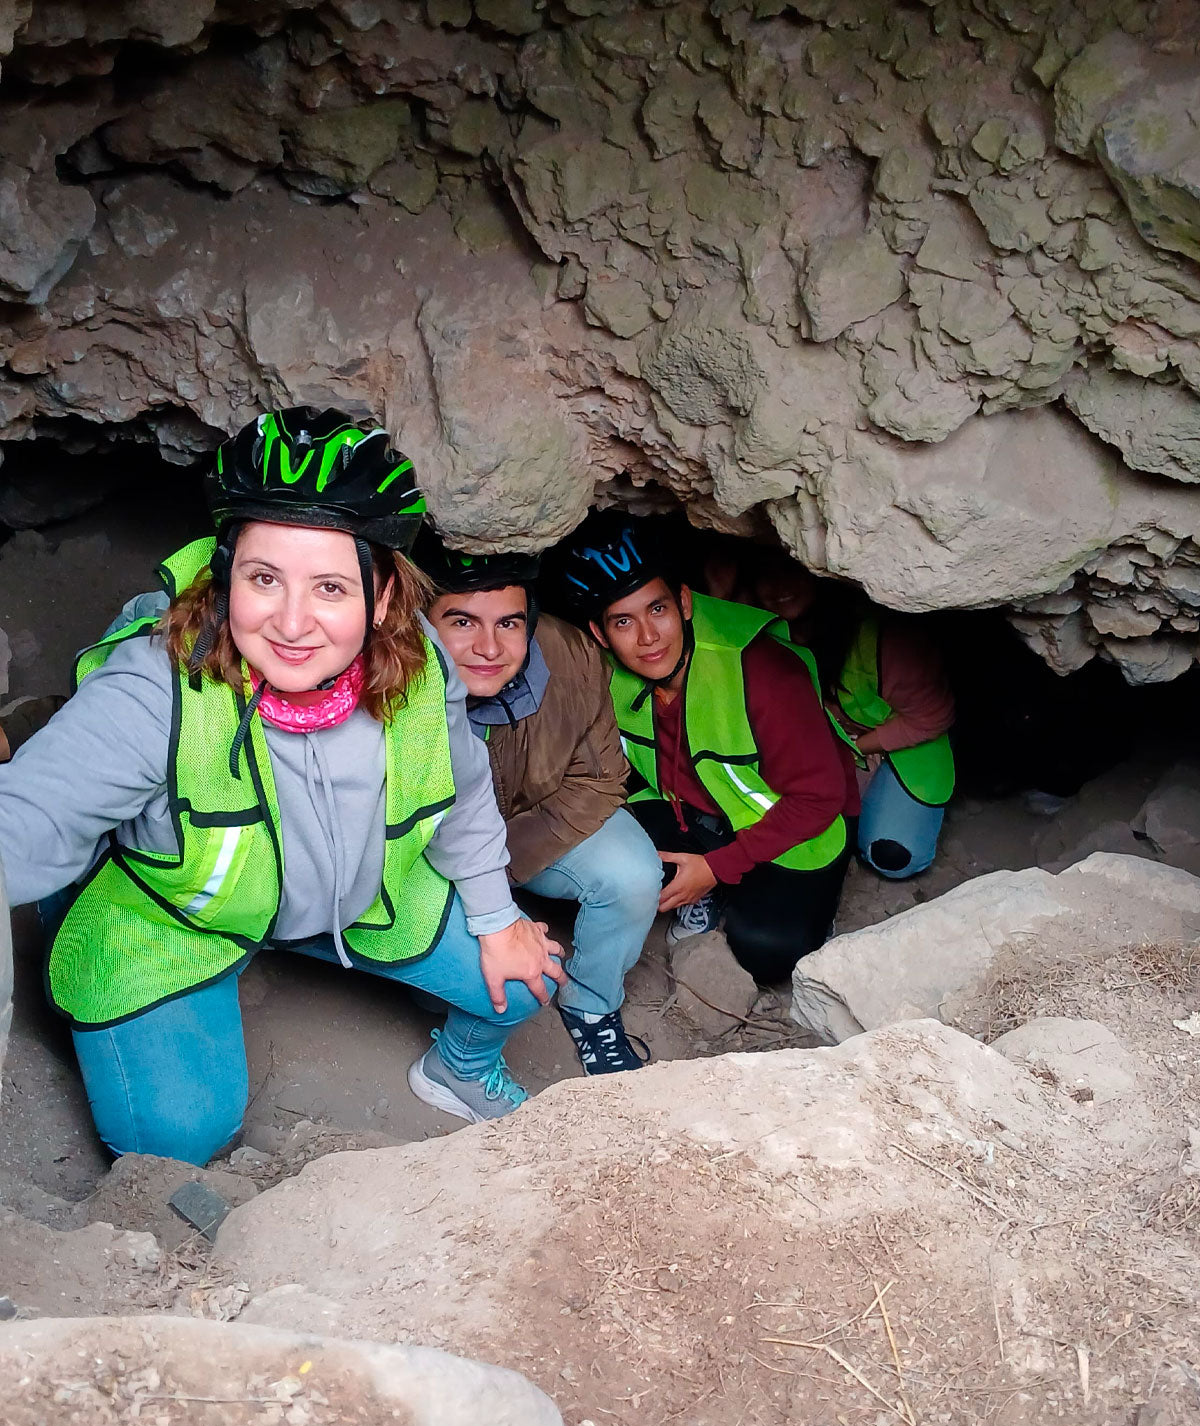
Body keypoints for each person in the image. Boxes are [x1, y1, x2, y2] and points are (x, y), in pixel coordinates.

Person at [0, 406, 562, 1166]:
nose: (292, 622)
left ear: (385, 598)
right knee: (175, 1138)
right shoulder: (155, 686)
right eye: (264, 578)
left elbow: (463, 795)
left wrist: (498, 920)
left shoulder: (421, 668)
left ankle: (456, 1072)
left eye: (331, 587)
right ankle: (74, 902)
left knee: (527, 981)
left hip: (357, 899)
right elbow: (24, 822)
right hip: (180, 915)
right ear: (226, 573)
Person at [559, 516, 858, 987]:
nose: (647, 636)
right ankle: (713, 886)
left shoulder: (764, 674)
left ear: (684, 602)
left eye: (656, 609)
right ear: (601, 635)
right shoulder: (605, 673)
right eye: (623, 621)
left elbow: (820, 798)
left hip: (797, 823)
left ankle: (786, 900)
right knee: (589, 871)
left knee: (768, 953)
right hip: (697, 812)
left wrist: (718, 868)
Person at [416, 530, 661, 1075]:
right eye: (462, 622)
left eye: (509, 623)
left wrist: (497, 869)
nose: (489, 647)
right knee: (453, 982)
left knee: (632, 874)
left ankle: (592, 1005)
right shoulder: (383, 676)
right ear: (421, 623)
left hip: (533, 833)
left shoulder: (570, 656)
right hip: (422, 860)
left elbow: (599, 780)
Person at [752, 550, 955, 880]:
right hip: (832, 738)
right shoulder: (761, 629)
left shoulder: (885, 639)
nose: (778, 585)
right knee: (789, 825)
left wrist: (855, 747)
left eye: (792, 570)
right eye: (765, 574)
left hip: (899, 739)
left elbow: (933, 716)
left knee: (892, 854)